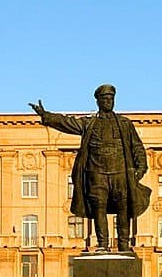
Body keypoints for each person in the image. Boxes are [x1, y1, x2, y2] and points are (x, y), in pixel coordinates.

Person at [30, 84, 151, 252]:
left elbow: (137, 146)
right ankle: (102, 245)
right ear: (98, 101)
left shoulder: (124, 123)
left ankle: (123, 245)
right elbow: (67, 123)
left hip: (121, 172)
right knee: (98, 208)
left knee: (124, 208)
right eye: (105, 99)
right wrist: (46, 115)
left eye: (111, 99)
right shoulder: (89, 123)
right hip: (96, 172)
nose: (109, 102)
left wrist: (141, 168)